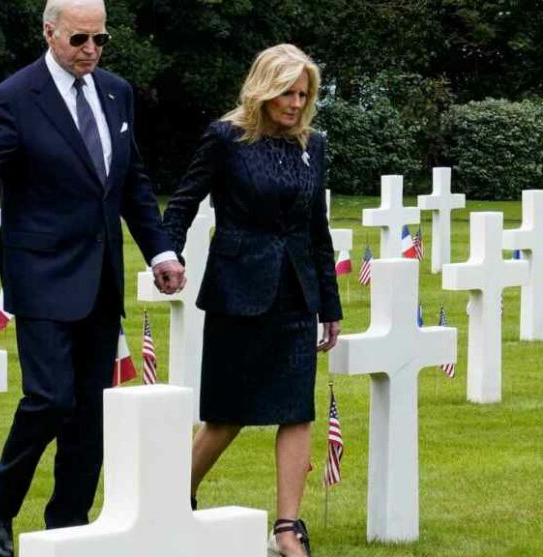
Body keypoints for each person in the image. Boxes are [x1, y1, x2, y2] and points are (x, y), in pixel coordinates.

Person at [0, 0, 186, 555]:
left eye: (100, 40)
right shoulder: (15, 97)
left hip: (101, 275)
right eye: (79, 40)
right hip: (40, 271)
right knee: (50, 397)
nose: (90, 51)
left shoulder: (117, 93)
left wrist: (161, 251)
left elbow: (131, 183)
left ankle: (69, 523)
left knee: (91, 409)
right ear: (49, 33)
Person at [162, 44, 342, 557]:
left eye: (304, 93)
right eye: (288, 91)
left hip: (295, 293)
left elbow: (317, 230)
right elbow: (183, 201)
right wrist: (165, 254)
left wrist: (329, 305)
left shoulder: (314, 145)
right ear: (264, 88)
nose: (295, 102)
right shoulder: (227, 138)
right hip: (238, 289)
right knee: (227, 413)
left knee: (297, 410)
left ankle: (288, 529)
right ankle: (175, 495)